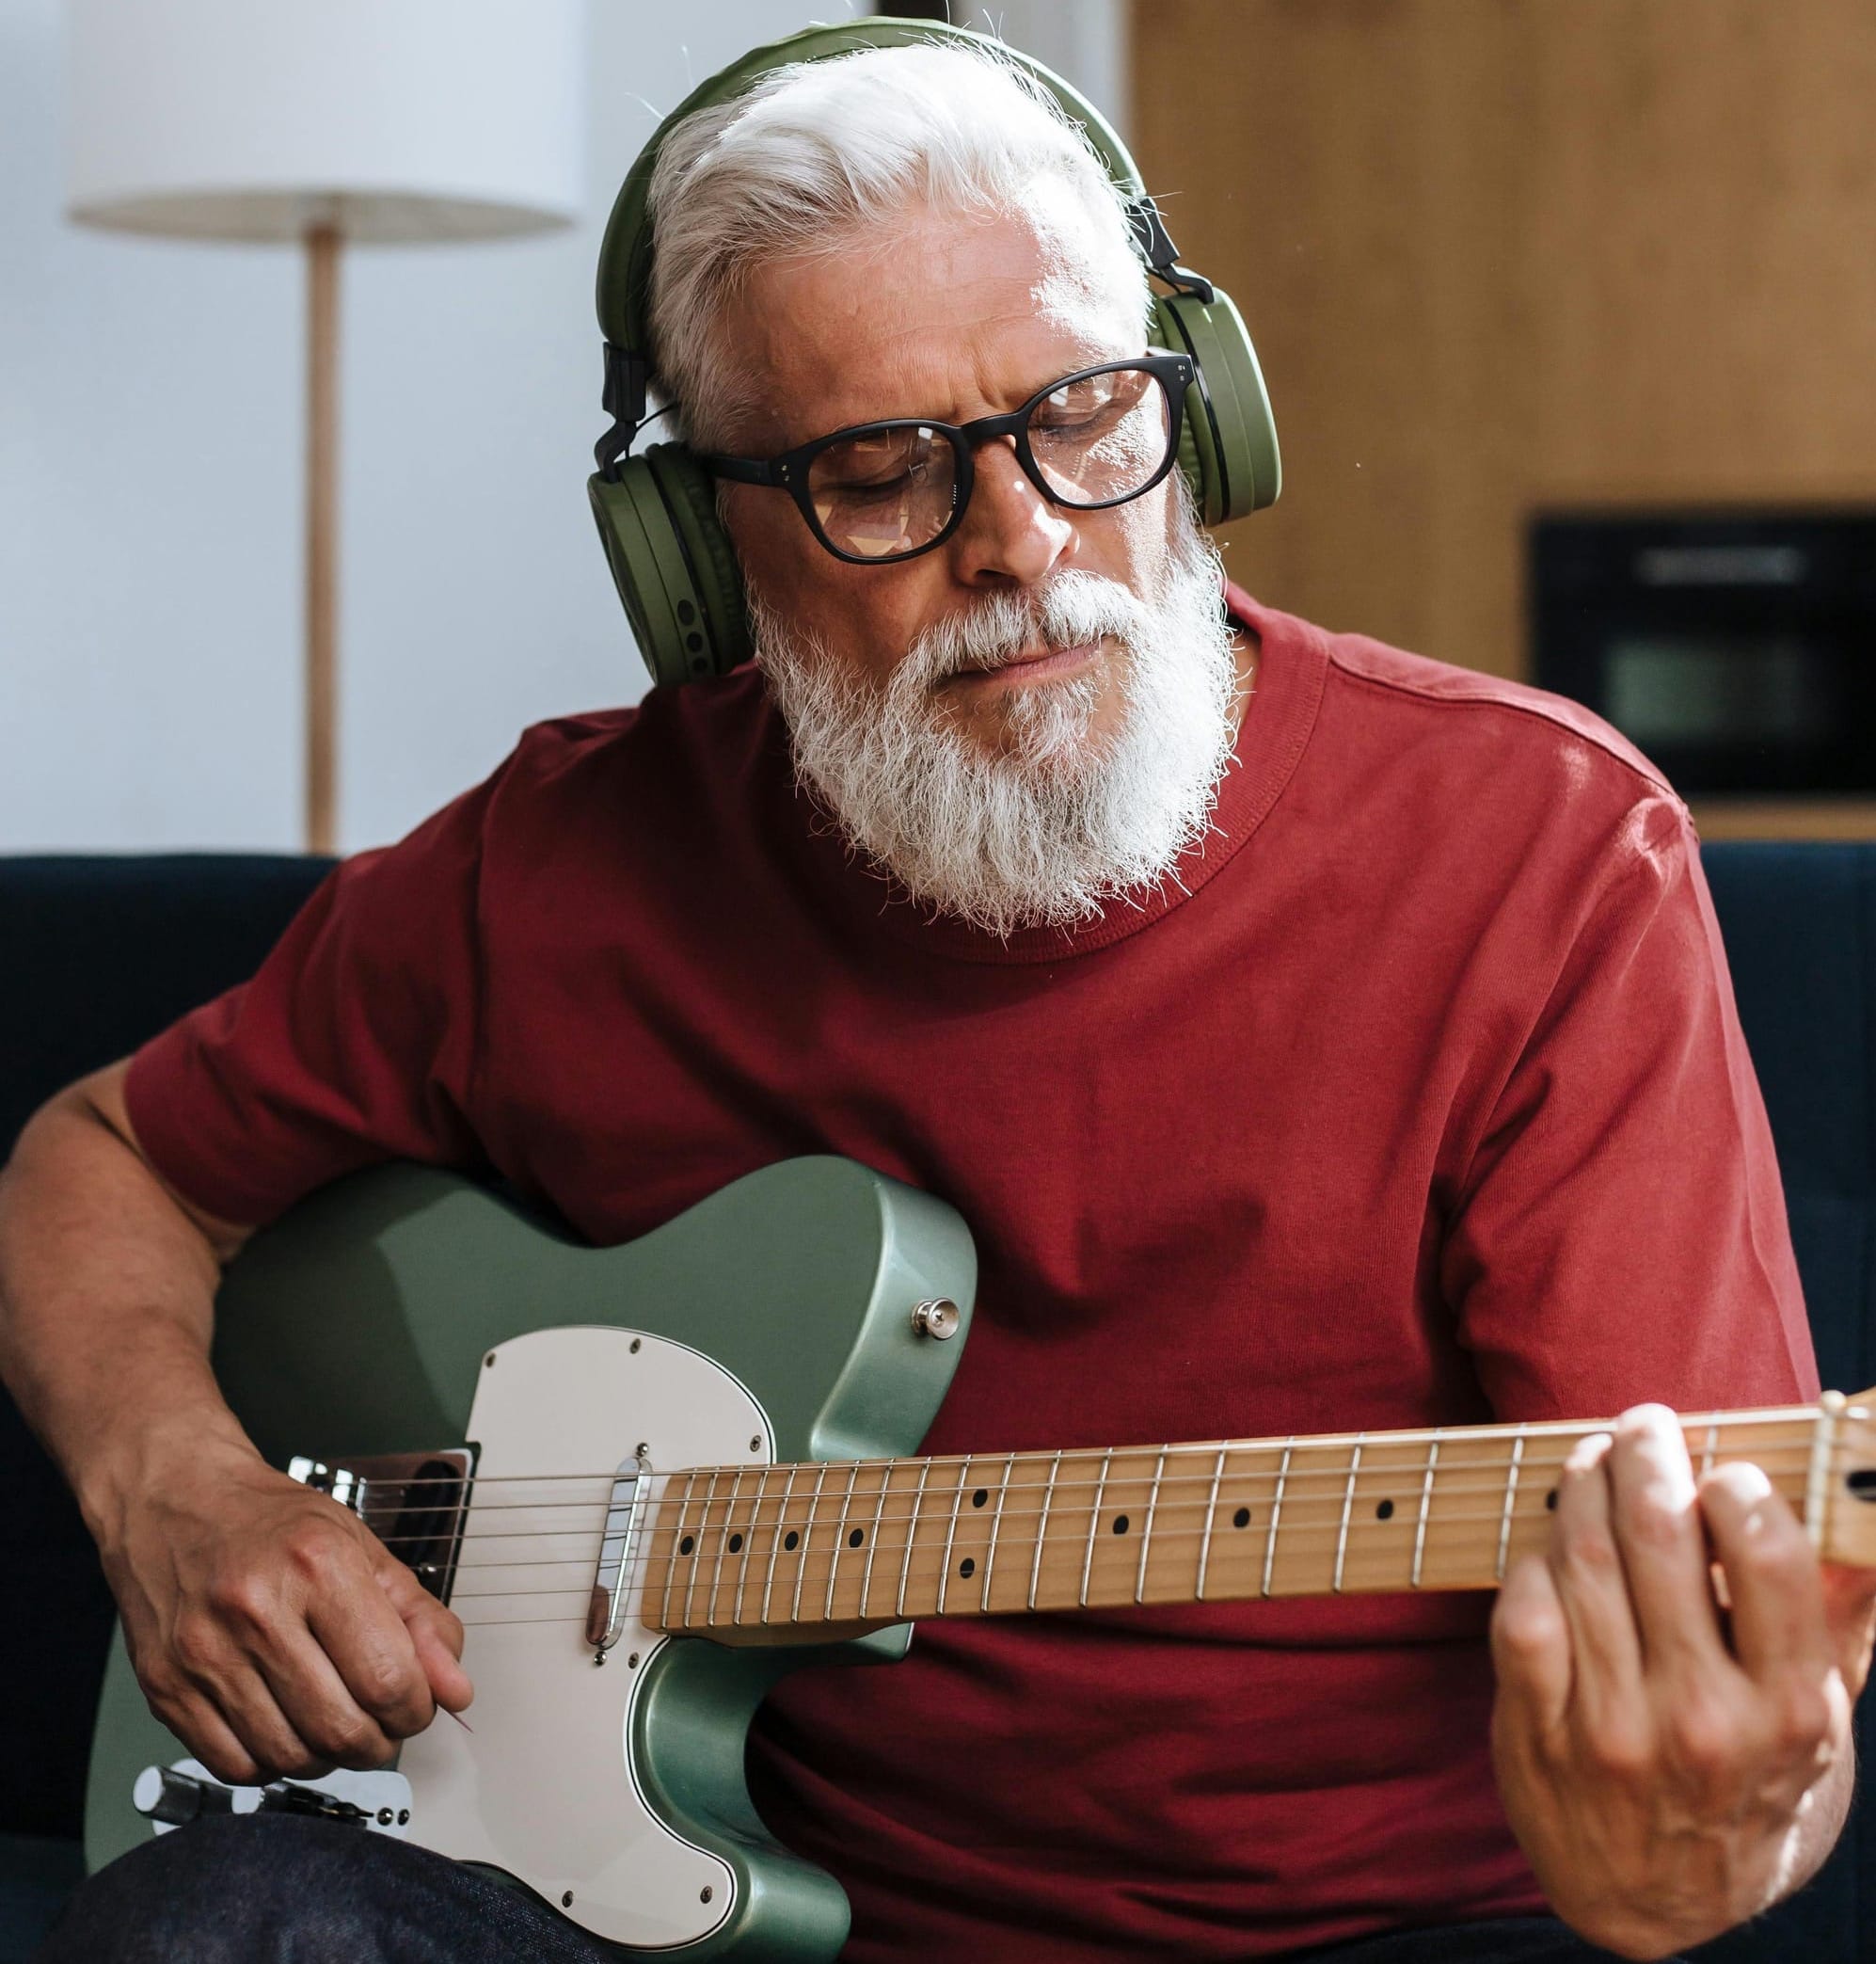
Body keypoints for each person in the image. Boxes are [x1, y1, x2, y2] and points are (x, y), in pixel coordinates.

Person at [2, 35, 1871, 1964]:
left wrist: (1692, 1848)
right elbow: (99, 1159)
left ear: (1197, 409)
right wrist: (181, 1494)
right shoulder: (549, 870)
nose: (1023, 542)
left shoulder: (1541, 856)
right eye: (876, 476)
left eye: (1083, 413)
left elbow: (1718, 1644)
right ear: (696, 555)